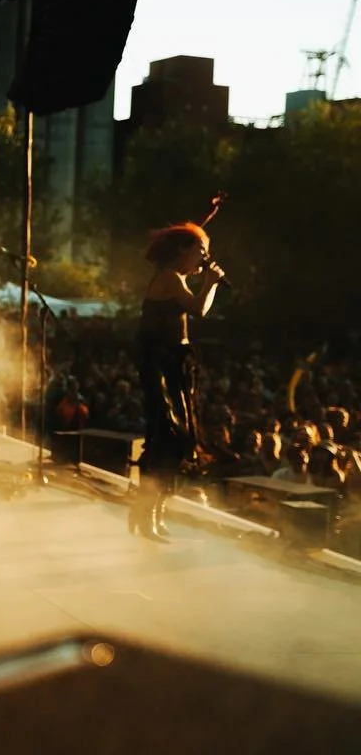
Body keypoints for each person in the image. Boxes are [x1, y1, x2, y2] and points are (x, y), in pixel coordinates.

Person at [132, 221, 225, 540]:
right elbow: (198, 308)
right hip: (159, 364)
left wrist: (207, 280)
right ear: (182, 250)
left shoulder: (177, 278)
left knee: (175, 439)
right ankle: (146, 513)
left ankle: (153, 512)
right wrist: (211, 282)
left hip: (173, 365)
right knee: (166, 435)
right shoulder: (170, 278)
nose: (205, 257)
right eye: (201, 250)